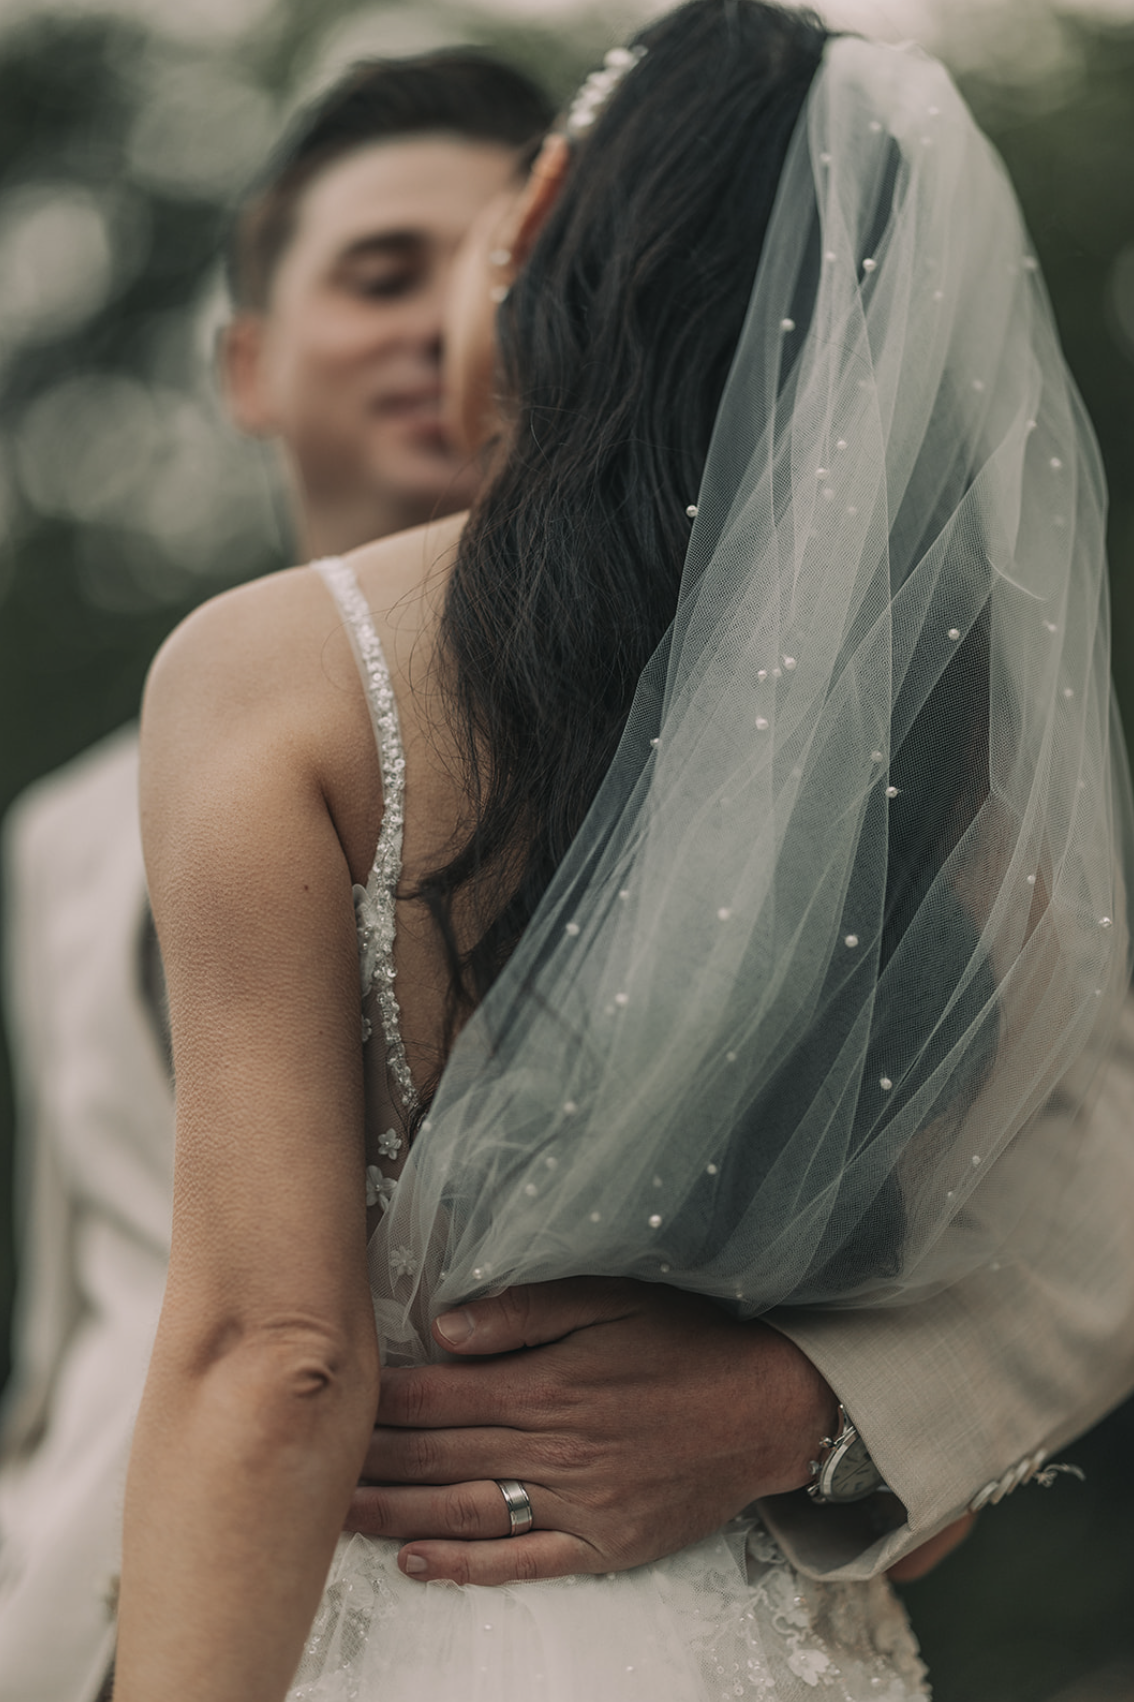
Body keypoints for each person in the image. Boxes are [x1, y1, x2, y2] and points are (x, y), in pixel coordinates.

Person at [116, 2, 1134, 1698]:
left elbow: (274, 1357)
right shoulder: (923, 775)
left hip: (387, 1612)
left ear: (544, 226)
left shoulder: (277, 673)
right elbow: (950, 1352)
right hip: (765, 1631)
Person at [0, 50, 553, 1702]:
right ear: (248, 362)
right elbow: (90, 1281)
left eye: (501, 271)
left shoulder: (733, 773)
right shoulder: (63, 830)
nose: (441, 323)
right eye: (380, 273)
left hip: (502, 1615)